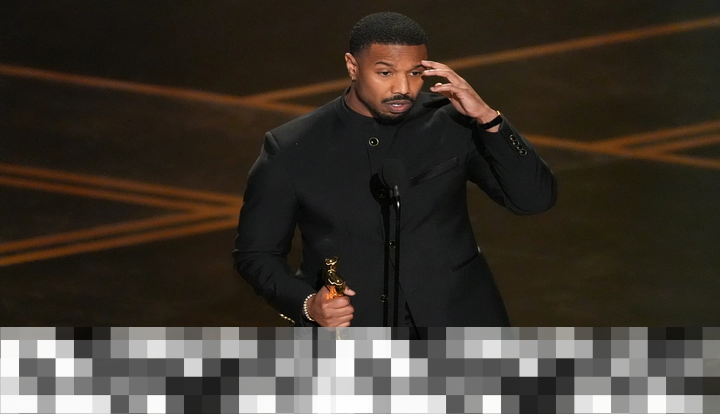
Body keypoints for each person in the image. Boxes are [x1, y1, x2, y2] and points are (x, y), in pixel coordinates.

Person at [233, 12, 557, 332]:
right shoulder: (292, 147)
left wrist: (488, 119)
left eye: (415, 73)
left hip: (460, 326)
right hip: (355, 336)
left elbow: (534, 199)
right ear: (352, 66)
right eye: (385, 72)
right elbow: (256, 254)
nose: (403, 87)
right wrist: (307, 305)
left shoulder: (450, 121)